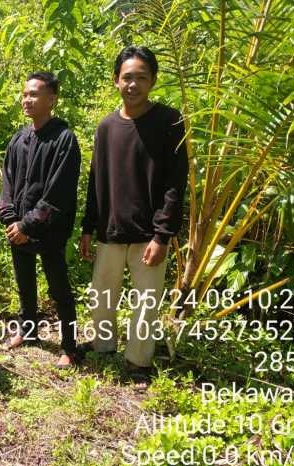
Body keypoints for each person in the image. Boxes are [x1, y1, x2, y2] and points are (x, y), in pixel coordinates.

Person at [79, 46, 189, 379]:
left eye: (142, 77)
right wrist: (88, 226)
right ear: (116, 80)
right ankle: (103, 346)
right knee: (102, 293)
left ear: (153, 81)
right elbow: (96, 179)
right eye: (127, 77)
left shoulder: (169, 121)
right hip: (111, 229)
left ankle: (138, 363)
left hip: (149, 235)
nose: (133, 84)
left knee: (146, 302)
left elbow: (175, 182)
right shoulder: (106, 127)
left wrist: (162, 234)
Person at [0, 71, 81, 369]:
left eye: (34, 94)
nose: (27, 100)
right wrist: (10, 218)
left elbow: (58, 194)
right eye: (24, 94)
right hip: (17, 227)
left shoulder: (63, 140)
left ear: (52, 99)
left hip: (48, 230)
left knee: (59, 289)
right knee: (24, 284)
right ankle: (28, 330)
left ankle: (70, 347)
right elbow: (6, 182)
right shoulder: (19, 139)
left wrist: (27, 225)